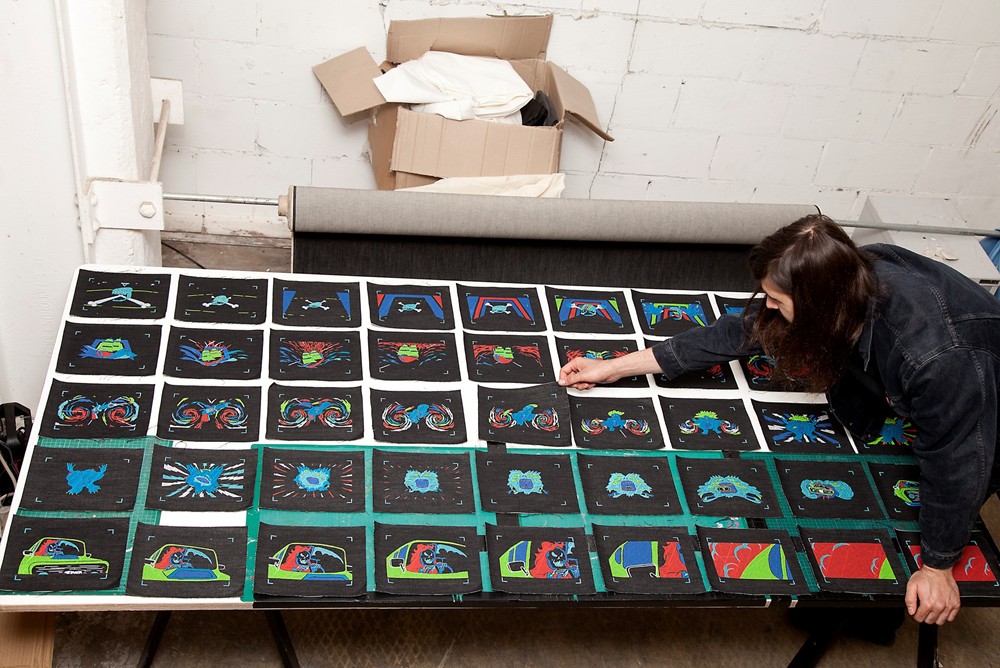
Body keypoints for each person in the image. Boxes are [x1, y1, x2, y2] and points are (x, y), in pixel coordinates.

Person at [559, 214, 1000, 626]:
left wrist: (937, 566)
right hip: (932, 388)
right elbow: (740, 331)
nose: (767, 306)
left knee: (900, 558)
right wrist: (615, 367)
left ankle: (863, 619)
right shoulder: (847, 275)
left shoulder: (940, 359)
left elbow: (956, 462)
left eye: (777, 299)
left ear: (819, 304)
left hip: (982, 415)